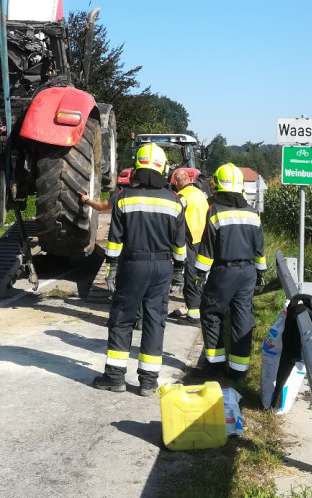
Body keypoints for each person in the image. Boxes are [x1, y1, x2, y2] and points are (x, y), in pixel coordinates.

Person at [92, 143, 187, 396]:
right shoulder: (176, 202)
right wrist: (178, 272)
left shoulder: (124, 199)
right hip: (162, 268)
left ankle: (115, 377)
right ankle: (148, 382)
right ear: (163, 169)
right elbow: (180, 245)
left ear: (137, 168)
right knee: (155, 321)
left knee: (122, 319)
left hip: (133, 265)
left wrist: (111, 267)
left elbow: (114, 240)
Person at [195, 163, 266, 378]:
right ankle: (239, 371)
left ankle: (215, 364)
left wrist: (200, 274)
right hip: (248, 273)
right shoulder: (253, 213)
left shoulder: (215, 211)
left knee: (211, 313)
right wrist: (261, 273)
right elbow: (259, 248)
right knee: (242, 316)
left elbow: (207, 248)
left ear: (218, 186)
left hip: (224, 272)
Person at [168, 169, 209, 325]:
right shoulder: (199, 193)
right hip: (203, 239)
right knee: (201, 275)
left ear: (178, 182)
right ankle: (199, 309)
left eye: (174, 184)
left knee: (189, 276)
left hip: (190, 238)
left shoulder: (183, 197)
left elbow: (176, 219)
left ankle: (193, 315)